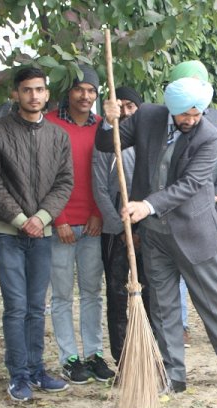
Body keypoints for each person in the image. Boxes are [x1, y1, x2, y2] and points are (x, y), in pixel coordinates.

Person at [95, 77, 217, 393]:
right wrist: (108, 119)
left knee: (215, 304)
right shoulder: (146, 117)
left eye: (197, 114)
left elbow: (192, 184)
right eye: (186, 114)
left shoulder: (208, 135)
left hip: (194, 233)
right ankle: (174, 375)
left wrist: (148, 205)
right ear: (171, 107)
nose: (191, 120)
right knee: (164, 307)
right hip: (155, 235)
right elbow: (106, 143)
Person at [0, 66, 74, 401]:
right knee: (16, 306)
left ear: (47, 94)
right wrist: (22, 219)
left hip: (42, 233)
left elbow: (64, 181)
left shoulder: (57, 136)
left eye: (39, 89)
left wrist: (42, 217)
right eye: (26, 90)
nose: (33, 96)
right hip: (8, 231)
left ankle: (37, 370)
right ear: (15, 94)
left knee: (38, 305)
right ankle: (18, 374)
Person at [45, 65, 114, 384]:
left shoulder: (104, 127)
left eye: (91, 90)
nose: (85, 95)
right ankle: (69, 357)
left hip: (92, 225)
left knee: (91, 293)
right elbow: (43, 177)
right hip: (59, 225)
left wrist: (99, 213)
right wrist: (57, 218)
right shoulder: (50, 125)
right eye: (79, 89)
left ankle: (94, 354)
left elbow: (109, 177)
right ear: (68, 92)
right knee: (61, 296)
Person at [169, 60, 217, 344]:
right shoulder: (166, 120)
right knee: (176, 272)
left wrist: (216, 193)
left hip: (209, 210)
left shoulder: (216, 119)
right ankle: (181, 326)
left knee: (213, 272)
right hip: (172, 210)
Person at [92, 85, 149, 365]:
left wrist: (138, 230)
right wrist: (120, 228)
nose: (125, 111)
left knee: (150, 291)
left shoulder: (150, 137)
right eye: (120, 105)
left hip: (146, 224)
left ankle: (150, 354)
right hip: (115, 227)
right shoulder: (106, 138)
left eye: (131, 106)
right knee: (116, 292)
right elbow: (100, 188)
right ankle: (123, 358)